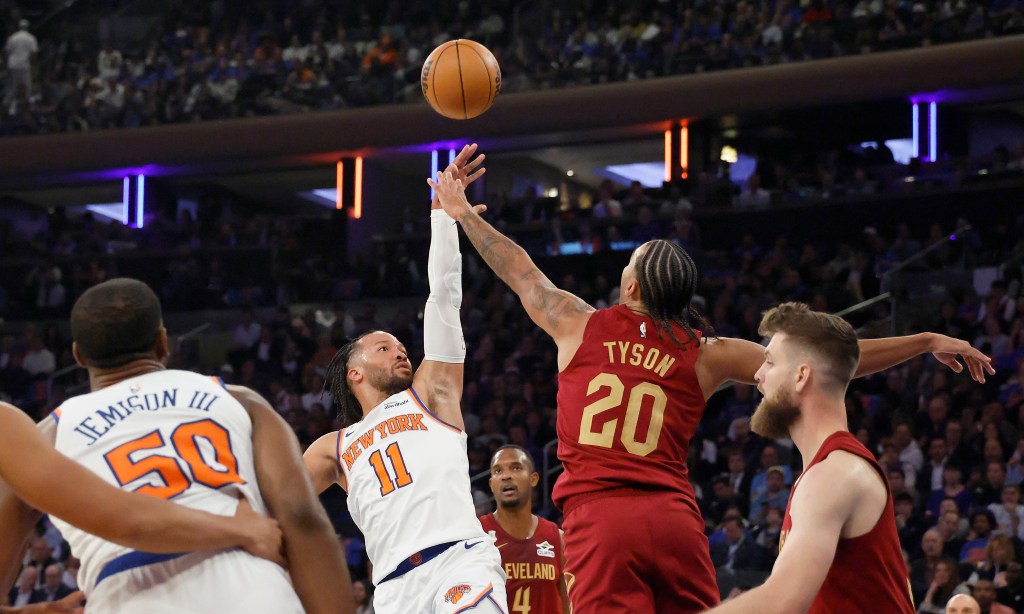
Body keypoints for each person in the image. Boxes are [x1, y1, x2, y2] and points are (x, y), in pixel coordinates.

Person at [429, 163, 994, 613]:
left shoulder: (578, 321)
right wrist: (921, 341)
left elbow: (519, 268)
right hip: (675, 518)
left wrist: (460, 212)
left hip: (601, 518)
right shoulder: (706, 352)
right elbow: (827, 359)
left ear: (628, 284)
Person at [1, 278, 352, 613]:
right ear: (162, 342)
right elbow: (302, 517)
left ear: (78, 355)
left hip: (125, 592)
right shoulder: (239, 399)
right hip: (247, 577)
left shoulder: (44, 435)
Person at [304, 144, 506, 614]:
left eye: (400, 345)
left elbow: (443, 298)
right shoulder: (333, 447)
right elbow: (281, 502)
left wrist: (442, 218)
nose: (399, 350)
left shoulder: (431, 393)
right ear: (354, 372)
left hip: (461, 561)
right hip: (393, 588)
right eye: (383, 347)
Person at [705, 303, 918, 612]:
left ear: (802, 375)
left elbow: (781, 602)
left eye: (770, 362)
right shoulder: (826, 469)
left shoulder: (835, 473)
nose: (757, 375)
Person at [480, 445, 569, 614]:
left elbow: (569, 605)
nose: (506, 476)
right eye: (498, 471)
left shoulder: (557, 539)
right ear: (491, 484)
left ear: (533, 479)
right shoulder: (478, 536)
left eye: (516, 468)